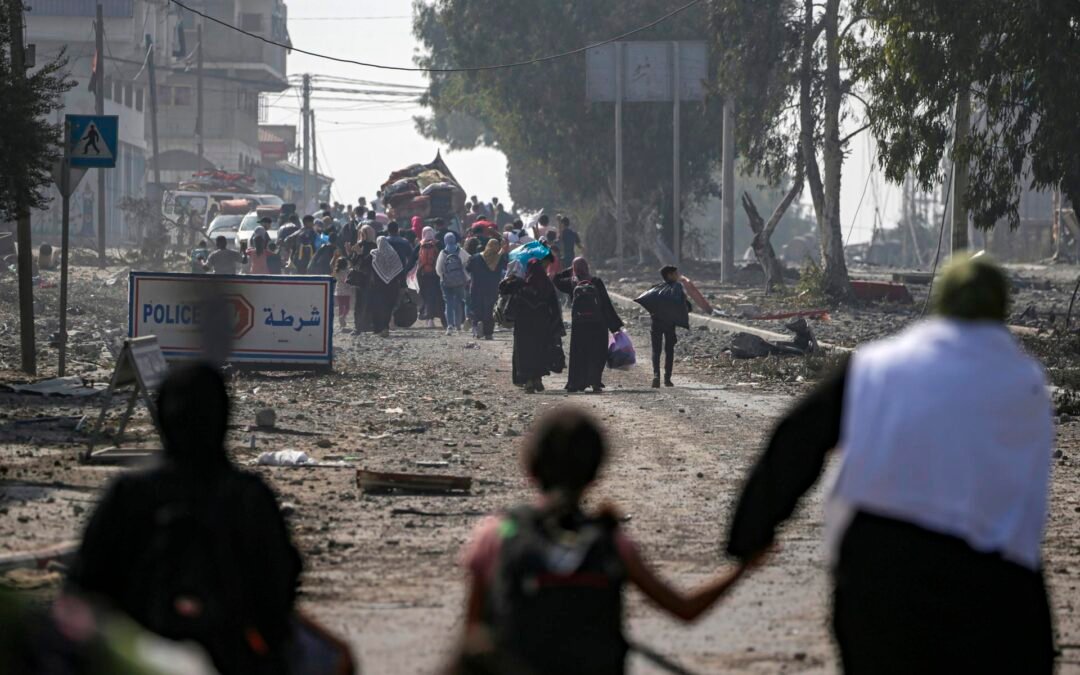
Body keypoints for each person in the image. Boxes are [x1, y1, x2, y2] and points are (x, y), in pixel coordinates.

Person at [726, 254, 1055, 674]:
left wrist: (750, 533)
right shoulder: (1028, 385)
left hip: (879, 567)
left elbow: (795, 440)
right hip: (992, 577)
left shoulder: (876, 365)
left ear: (942, 302)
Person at [457, 408, 753, 674]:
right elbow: (685, 609)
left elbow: (472, 636)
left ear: (530, 467)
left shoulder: (498, 533)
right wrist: (745, 566)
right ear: (596, 474)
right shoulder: (610, 540)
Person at [68, 363, 302, 674]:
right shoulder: (248, 497)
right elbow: (278, 589)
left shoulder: (129, 495)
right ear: (222, 418)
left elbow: (84, 592)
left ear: (162, 419)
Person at [554, 257, 623, 393]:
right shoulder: (596, 281)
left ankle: (576, 383)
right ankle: (595, 382)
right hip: (598, 323)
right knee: (597, 352)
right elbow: (606, 304)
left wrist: (569, 271)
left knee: (579, 352)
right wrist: (614, 326)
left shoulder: (572, 282)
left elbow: (556, 280)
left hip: (580, 324)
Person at [499, 259, 564, 393]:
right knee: (540, 351)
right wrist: (556, 325)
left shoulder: (521, 284)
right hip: (542, 324)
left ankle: (528, 381)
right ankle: (537, 379)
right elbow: (554, 307)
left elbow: (503, 289)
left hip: (524, 325)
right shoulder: (547, 285)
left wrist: (511, 277)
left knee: (524, 352)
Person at [647, 265, 692, 388]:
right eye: (675, 274)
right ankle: (667, 379)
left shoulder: (655, 288)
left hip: (656, 323)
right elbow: (685, 306)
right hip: (669, 324)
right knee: (669, 350)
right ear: (669, 275)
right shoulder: (677, 288)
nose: (677, 276)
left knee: (656, 351)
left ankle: (656, 376)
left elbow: (649, 304)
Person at [467, 238, 506, 340]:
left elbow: (468, 268)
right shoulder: (499, 258)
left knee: (477, 308)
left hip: (476, 288)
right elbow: (504, 268)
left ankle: (477, 327)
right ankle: (488, 333)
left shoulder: (475, 257)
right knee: (490, 310)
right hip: (492, 288)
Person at [366, 235, 404, 337]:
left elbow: (364, 267)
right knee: (388, 308)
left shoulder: (374, 254)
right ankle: (385, 327)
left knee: (378, 308)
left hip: (378, 287)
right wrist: (403, 285)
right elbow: (400, 271)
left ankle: (378, 328)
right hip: (392, 287)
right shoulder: (393, 254)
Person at [437, 232, 471, 335]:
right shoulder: (460, 251)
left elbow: (438, 269)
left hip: (446, 282)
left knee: (449, 303)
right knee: (458, 302)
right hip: (460, 281)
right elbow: (469, 260)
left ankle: (450, 326)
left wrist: (443, 277)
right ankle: (458, 326)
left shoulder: (443, 252)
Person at [349, 225, 378, 334]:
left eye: (364, 233)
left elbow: (370, 261)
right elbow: (354, 262)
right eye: (361, 233)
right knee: (359, 304)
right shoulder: (359, 245)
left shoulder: (374, 246)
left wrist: (361, 255)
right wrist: (350, 254)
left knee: (369, 303)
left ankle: (369, 325)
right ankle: (358, 327)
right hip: (360, 279)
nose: (362, 236)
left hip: (371, 278)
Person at [415, 226, 444, 328]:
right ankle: (442, 319)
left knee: (427, 297)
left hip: (423, 275)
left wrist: (406, 271)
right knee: (437, 296)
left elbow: (412, 259)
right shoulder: (438, 244)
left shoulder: (420, 244)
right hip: (436, 274)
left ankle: (429, 319)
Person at [333, 257, 352, 330]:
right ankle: (343, 317)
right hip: (346, 291)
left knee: (341, 307)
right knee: (347, 307)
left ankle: (341, 322)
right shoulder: (346, 271)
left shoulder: (337, 271)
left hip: (338, 291)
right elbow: (346, 280)